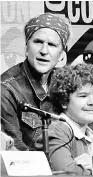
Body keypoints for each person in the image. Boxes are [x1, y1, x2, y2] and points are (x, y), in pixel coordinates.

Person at [1, 13, 71, 151]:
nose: (44, 51)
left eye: (51, 45)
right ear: (26, 48)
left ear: (61, 55)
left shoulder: (67, 83)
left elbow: (91, 128)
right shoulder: (6, 89)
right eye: (38, 42)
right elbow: (14, 152)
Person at [41, 64, 93, 175]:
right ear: (64, 101)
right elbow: (67, 174)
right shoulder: (57, 130)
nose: (92, 102)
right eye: (83, 96)